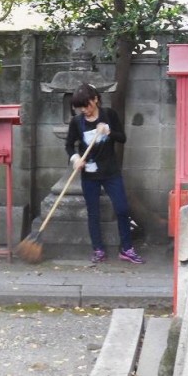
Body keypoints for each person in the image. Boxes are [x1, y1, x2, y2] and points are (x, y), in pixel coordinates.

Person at [65, 83, 144, 265]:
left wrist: (109, 131)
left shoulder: (109, 115)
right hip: (89, 174)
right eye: (81, 107)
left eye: (88, 105)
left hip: (110, 172)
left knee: (122, 209)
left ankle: (126, 248)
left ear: (96, 100)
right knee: (93, 212)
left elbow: (122, 138)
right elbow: (69, 145)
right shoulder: (77, 122)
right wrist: (76, 158)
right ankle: (98, 249)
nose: (85, 110)